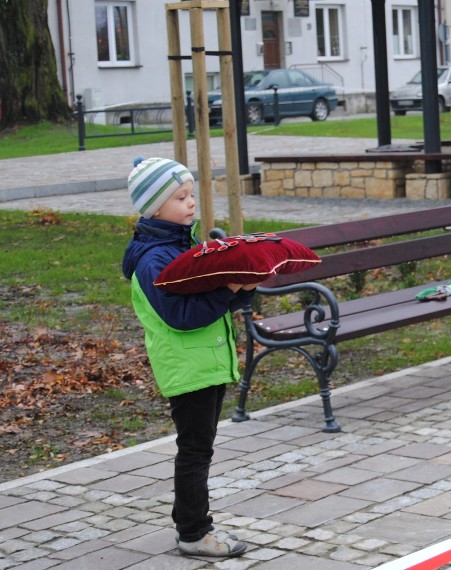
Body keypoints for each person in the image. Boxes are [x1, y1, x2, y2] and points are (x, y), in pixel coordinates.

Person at [121, 157, 254, 557]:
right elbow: (181, 316)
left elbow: (210, 301)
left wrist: (242, 284)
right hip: (188, 367)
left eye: (192, 195)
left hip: (206, 363)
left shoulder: (184, 244)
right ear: (155, 207)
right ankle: (194, 533)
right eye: (181, 198)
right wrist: (228, 289)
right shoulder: (154, 260)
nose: (191, 204)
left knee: (200, 447)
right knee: (195, 450)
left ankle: (190, 524)